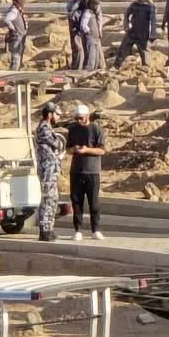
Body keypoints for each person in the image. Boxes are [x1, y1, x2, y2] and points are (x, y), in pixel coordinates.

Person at [65, 101, 105, 242]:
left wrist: (87, 150)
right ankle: (78, 230)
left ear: (87, 116)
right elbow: (68, 149)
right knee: (76, 202)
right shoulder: (73, 129)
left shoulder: (96, 129)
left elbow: (101, 150)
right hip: (76, 170)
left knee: (93, 202)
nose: (79, 120)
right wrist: (74, 150)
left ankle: (96, 229)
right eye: (77, 118)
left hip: (92, 171)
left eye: (81, 118)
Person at [33, 103, 65, 243]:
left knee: (53, 200)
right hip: (47, 171)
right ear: (50, 114)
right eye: (57, 114)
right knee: (47, 200)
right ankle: (44, 230)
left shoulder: (49, 128)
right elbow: (57, 144)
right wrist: (60, 138)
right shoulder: (44, 128)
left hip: (51, 171)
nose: (58, 117)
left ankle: (49, 229)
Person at [118, 0, 156, 66]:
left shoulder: (148, 7)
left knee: (144, 51)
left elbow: (153, 7)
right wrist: (126, 26)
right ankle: (119, 64)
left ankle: (146, 66)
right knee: (124, 48)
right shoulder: (134, 5)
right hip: (133, 31)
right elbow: (126, 15)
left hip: (143, 32)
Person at [3, 0, 30, 71]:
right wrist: (13, 28)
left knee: (19, 55)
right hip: (17, 36)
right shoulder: (14, 10)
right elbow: (7, 19)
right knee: (16, 57)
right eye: (22, 0)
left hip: (21, 35)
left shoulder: (19, 10)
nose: (23, 2)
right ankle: (12, 76)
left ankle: (16, 74)